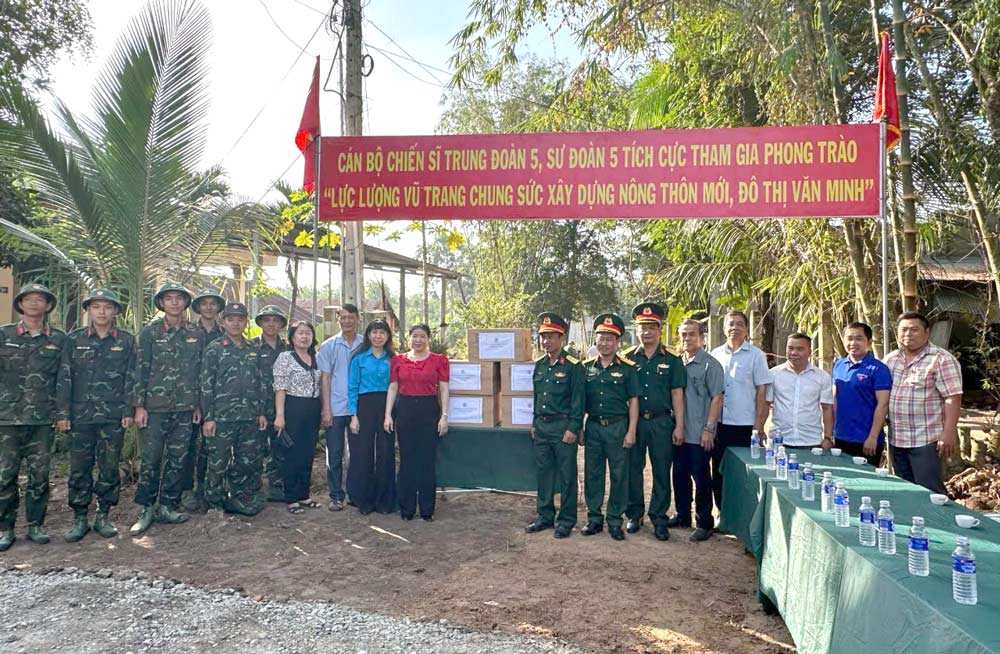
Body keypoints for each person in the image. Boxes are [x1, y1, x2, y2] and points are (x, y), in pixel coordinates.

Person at [56, 289, 135, 542]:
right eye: (96, 306)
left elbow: (131, 378)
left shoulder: (126, 340)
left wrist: (128, 410)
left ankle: (103, 515)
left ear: (115, 312)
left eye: (107, 307)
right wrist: (63, 413)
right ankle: (80, 517)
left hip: (113, 415)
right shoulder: (74, 339)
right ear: (88, 310)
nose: (102, 312)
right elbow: (64, 377)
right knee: (80, 468)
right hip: (80, 416)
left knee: (109, 467)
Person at [130, 282, 203, 535]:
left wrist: (197, 405)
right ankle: (146, 508)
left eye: (179, 298)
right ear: (161, 303)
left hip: (184, 408)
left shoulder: (195, 333)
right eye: (168, 298)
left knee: (178, 459)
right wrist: (139, 406)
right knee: (151, 460)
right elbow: (140, 369)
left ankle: (168, 505)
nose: (174, 302)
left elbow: (199, 371)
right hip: (155, 408)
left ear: (185, 303)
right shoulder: (149, 333)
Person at [0, 283, 66, 550]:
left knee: (40, 476)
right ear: (20, 304)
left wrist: (62, 414)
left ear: (48, 306)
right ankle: (5, 528)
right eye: (29, 299)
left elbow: (64, 380)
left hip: (41, 419)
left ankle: (35, 524)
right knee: (5, 476)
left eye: (41, 299)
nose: (35, 303)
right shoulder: (3, 335)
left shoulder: (59, 339)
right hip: (6, 418)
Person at [621, 302, 686, 541]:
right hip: (635, 423)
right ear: (636, 330)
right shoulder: (627, 358)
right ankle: (634, 513)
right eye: (642, 327)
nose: (646, 332)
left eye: (651, 327)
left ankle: (659, 517)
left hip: (661, 423)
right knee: (633, 469)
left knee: (661, 471)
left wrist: (679, 425)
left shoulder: (671, 359)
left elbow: (677, 394)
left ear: (660, 329)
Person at [200, 303, 268, 516]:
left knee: (246, 460)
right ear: (223, 322)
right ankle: (214, 502)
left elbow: (261, 384)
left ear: (246, 321)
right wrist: (208, 417)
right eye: (231, 319)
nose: (236, 323)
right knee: (217, 461)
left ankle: (240, 498)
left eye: (240, 319)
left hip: (248, 416)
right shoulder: (214, 348)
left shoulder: (252, 349)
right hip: (221, 417)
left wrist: (261, 412)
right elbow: (206, 385)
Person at [884, 312, 962, 493]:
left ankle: (938, 522)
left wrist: (949, 433)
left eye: (914, 330)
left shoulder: (941, 359)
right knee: (906, 491)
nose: (908, 334)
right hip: (897, 439)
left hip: (927, 440)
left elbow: (953, 397)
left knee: (930, 491)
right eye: (903, 330)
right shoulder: (891, 359)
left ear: (927, 333)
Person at [524, 312, 584, 540]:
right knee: (544, 474)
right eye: (543, 337)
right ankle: (545, 516)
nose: (546, 341)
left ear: (562, 338)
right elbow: (537, 396)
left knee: (567, 476)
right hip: (542, 427)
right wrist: (534, 423)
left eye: (551, 336)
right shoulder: (540, 365)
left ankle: (567, 520)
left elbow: (578, 401)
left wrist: (573, 427)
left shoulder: (573, 366)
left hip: (562, 428)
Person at [581, 313, 639, 541]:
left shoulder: (627, 368)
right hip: (594, 426)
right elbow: (580, 401)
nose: (604, 343)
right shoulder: (586, 368)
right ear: (595, 341)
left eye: (609, 339)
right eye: (601, 338)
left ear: (617, 343)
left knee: (619, 475)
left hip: (618, 427)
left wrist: (631, 430)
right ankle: (594, 519)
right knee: (593, 475)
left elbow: (633, 400)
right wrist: (580, 428)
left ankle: (615, 520)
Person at [384, 324, 450, 521]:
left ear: (428, 339)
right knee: (407, 460)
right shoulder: (398, 360)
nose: (418, 340)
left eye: (422, 336)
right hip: (404, 410)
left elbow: (444, 389)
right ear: (409, 338)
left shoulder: (439, 360)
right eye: (414, 336)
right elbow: (393, 388)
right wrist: (388, 414)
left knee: (426, 461)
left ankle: (427, 509)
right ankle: (407, 508)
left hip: (428, 410)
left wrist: (444, 415)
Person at [709, 310, 771, 511]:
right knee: (718, 472)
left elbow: (762, 390)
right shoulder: (715, 354)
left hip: (745, 425)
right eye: (730, 324)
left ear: (746, 329)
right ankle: (722, 513)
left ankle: (743, 516)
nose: (734, 327)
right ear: (724, 328)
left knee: (744, 474)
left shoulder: (756, 355)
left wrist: (758, 426)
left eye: (739, 324)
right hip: (719, 424)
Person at [670, 319, 724, 542]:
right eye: (683, 334)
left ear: (702, 337)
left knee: (701, 478)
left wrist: (709, 429)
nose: (687, 339)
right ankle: (683, 515)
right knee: (679, 475)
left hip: (699, 432)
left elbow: (717, 398)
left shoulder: (711, 365)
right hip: (678, 431)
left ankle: (704, 522)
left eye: (692, 334)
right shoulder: (676, 363)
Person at [181, 288, 226, 513]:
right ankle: (187, 490)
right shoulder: (187, 331)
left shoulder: (225, 335)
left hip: (217, 401)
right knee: (188, 447)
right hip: (189, 400)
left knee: (212, 447)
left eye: (213, 303)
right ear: (197, 307)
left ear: (219, 308)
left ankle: (209, 490)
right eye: (204, 303)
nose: (208, 307)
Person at [273, 321, 324, 514]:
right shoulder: (286, 357)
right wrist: (280, 415)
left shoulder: (317, 357)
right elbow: (280, 387)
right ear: (292, 337)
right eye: (300, 333)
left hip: (313, 408)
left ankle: (304, 495)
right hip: (293, 407)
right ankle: (292, 498)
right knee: (292, 454)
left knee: (307, 452)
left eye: (308, 333)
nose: (305, 337)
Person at [346, 319, 396, 515]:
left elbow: (396, 386)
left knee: (385, 452)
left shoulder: (393, 358)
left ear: (388, 336)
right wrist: (354, 415)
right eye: (374, 332)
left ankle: (385, 500)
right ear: (368, 335)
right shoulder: (359, 358)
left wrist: (390, 414)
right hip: (364, 406)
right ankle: (363, 500)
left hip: (387, 407)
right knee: (363, 453)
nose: (378, 336)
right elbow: (352, 388)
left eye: (382, 333)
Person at [318, 304, 362, 512]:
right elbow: (325, 379)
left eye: (351, 317)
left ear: (358, 319)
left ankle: (356, 493)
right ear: (338, 321)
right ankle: (336, 495)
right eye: (343, 318)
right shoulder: (328, 346)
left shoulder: (365, 344)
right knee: (334, 454)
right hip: (335, 408)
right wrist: (326, 409)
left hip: (358, 410)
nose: (347, 321)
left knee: (358, 454)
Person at [832, 322, 891, 466]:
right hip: (841, 437)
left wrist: (873, 437)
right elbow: (834, 399)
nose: (853, 343)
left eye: (858, 338)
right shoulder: (839, 365)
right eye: (849, 338)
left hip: (866, 440)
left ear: (869, 342)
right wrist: (831, 433)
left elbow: (883, 405)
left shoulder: (879, 369)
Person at [765, 333, 834, 449]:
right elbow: (765, 405)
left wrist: (828, 437)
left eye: (800, 349)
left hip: (811, 442)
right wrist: (760, 430)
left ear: (810, 352)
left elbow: (827, 408)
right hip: (779, 441)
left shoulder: (822, 377)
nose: (794, 353)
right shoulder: (773, 374)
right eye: (790, 348)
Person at [253, 305, 288, 501]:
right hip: (258, 408)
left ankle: (276, 486)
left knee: (279, 448)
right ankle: (253, 488)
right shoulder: (251, 347)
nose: (271, 324)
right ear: (261, 323)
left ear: (282, 324)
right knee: (255, 449)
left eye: (276, 320)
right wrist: (257, 410)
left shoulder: (288, 349)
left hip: (281, 408)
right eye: (267, 320)